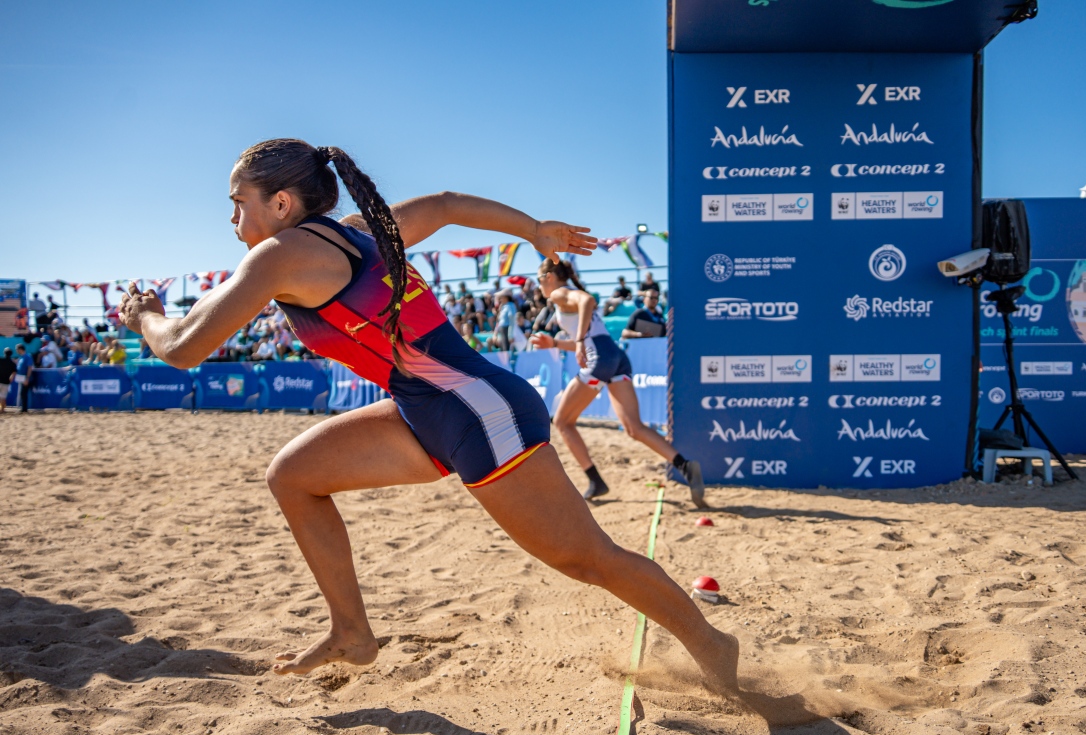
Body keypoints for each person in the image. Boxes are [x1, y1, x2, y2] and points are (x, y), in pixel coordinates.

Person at [117, 138, 738, 691]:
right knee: (294, 476)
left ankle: (714, 645)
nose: (231, 218)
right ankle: (351, 634)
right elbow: (442, 205)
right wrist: (532, 230)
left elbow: (182, 346)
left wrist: (143, 313)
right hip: (427, 407)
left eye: (239, 201)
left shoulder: (278, 255)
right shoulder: (359, 231)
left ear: (281, 204)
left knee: (586, 559)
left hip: (478, 409)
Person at [530, 258, 706, 506]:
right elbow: (594, 337)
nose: (540, 288)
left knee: (562, 421)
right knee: (634, 427)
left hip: (600, 359)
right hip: (615, 356)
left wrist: (578, 340)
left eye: (539, 282)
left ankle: (595, 481)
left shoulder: (560, 292)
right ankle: (685, 466)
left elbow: (588, 301)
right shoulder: (565, 295)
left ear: (549, 277)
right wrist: (557, 343)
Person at [14, 344, 32, 412]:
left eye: (17, 349)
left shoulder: (27, 357)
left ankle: (24, 408)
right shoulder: (21, 357)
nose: (16, 351)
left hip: (25, 377)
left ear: (20, 349)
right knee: (22, 393)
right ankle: (23, 408)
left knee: (24, 393)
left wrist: (27, 378)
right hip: (21, 377)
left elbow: (29, 368)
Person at [0, 347, 15, 412]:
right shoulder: (12, 363)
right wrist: (11, 377)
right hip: (6, 382)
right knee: (3, 396)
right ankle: (2, 409)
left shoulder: (0, 360)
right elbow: (14, 372)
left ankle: (2, 408)